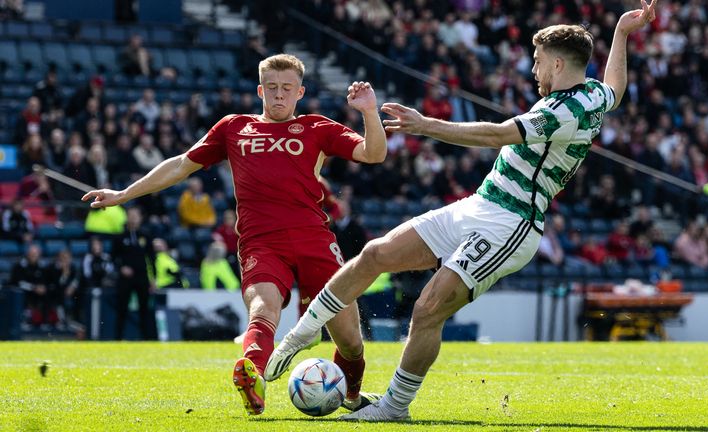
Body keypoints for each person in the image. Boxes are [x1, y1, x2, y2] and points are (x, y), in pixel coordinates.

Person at [267, 1, 657, 421]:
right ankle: (301, 335)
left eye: (538, 61)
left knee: (427, 308)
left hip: (512, 224)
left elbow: (498, 134)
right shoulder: (594, 94)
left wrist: (426, 125)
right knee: (377, 253)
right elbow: (615, 87)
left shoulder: (563, 110)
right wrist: (622, 32)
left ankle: (394, 408)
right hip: (480, 204)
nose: (534, 70)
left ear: (558, 63)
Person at [81, 53, 387, 416]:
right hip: (261, 242)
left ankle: (352, 399)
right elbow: (181, 165)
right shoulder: (234, 127)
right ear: (260, 89)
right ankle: (252, 378)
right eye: (271, 88)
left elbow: (374, 154)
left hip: (314, 239)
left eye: (286, 88)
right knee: (262, 309)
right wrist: (123, 194)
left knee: (350, 341)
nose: (278, 95)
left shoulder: (316, 128)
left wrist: (369, 111)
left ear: (300, 92)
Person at [112, 207, 156, 340]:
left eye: (135, 215)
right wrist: (121, 268)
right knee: (122, 308)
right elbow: (113, 257)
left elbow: (152, 258)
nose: (133, 218)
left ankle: (146, 338)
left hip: (142, 277)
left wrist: (154, 278)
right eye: (130, 215)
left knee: (144, 309)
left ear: (140, 218)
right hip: (125, 278)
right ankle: (118, 338)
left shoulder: (146, 235)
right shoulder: (120, 237)